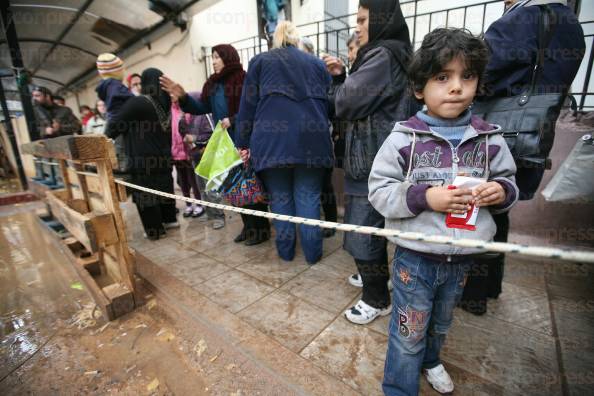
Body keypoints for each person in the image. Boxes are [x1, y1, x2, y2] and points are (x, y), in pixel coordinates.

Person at [369, 28, 519, 395]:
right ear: (419, 88)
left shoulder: (490, 138)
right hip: (415, 260)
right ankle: (399, 388)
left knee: (440, 323)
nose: (457, 87)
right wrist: (424, 197)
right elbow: (379, 191)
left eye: (467, 76)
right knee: (409, 329)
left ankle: (432, 360)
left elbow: (510, 184)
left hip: (463, 259)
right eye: (442, 77)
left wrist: (499, 191)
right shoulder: (403, 138)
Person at [460, 0, 586, 315]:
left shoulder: (522, 18)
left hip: (498, 134)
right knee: (499, 209)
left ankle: (473, 296)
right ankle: (490, 286)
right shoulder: (570, 23)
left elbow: (481, 74)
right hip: (532, 137)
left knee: (480, 211)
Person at [325, 0, 419, 324]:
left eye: (363, 20)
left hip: (370, 161)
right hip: (383, 158)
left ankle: (376, 297)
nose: (358, 28)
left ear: (379, 20)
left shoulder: (381, 54)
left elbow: (346, 102)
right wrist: (344, 75)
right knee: (374, 231)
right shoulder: (396, 52)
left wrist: (338, 84)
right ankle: (375, 280)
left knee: (362, 233)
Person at [236, 21, 332, 264]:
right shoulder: (318, 65)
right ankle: (313, 255)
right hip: (313, 141)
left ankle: (286, 253)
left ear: (274, 39)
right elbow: (329, 105)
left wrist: (242, 143)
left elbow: (247, 107)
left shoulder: (260, 62)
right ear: (296, 39)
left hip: (271, 142)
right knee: (309, 196)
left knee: (280, 198)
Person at [160, 45, 263, 237]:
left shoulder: (243, 79)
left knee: (250, 186)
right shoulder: (213, 85)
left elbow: (255, 107)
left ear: (228, 58)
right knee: (234, 187)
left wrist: (233, 119)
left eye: (217, 57)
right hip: (226, 145)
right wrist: (183, 97)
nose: (213, 61)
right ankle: (248, 226)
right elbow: (200, 107)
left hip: (245, 141)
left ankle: (260, 228)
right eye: (212, 57)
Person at [105, 68, 178, 240]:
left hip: (142, 159)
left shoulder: (138, 102)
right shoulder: (166, 102)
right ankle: (169, 220)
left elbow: (113, 128)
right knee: (164, 188)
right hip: (163, 157)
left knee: (145, 193)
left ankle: (154, 230)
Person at [178, 92, 226, 225]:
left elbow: (214, 133)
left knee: (212, 188)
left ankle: (219, 217)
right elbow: (182, 134)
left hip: (208, 155)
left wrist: (195, 138)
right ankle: (210, 214)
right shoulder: (183, 118)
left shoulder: (204, 115)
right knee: (201, 188)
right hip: (195, 157)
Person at [95, 53, 134, 172]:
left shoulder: (108, 87)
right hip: (123, 133)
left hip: (119, 131)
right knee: (126, 163)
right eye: (121, 68)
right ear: (116, 70)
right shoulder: (115, 87)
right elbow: (119, 113)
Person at [171, 96, 205, 218]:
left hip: (189, 152)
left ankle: (199, 204)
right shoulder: (170, 111)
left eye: (174, 95)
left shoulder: (187, 109)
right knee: (183, 181)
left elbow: (190, 130)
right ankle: (189, 205)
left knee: (194, 181)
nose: (172, 98)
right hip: (176, 153)